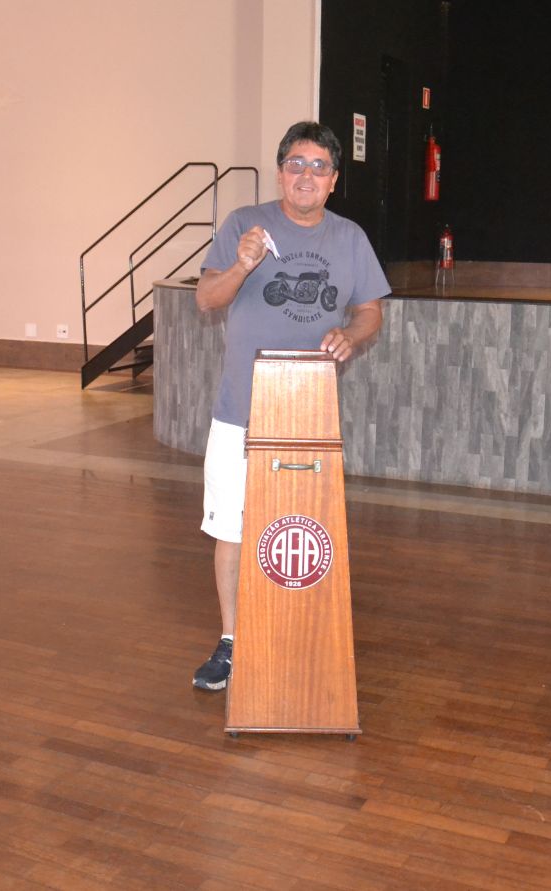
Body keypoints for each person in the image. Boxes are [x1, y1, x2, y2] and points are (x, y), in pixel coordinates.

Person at [192, 120, 391, 690]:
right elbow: (206, 299)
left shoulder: (350, 238)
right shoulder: (243, 224)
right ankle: (231, 642)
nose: (307, 175)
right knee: (231, 528)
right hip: (240, 409)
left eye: (319, 167)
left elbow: (371, 311)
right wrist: (242, 264)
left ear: (334, 180)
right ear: (281, 173)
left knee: (306, 528)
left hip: (310, 416)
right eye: (296, 164)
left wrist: (352, 335)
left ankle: (301, 633)